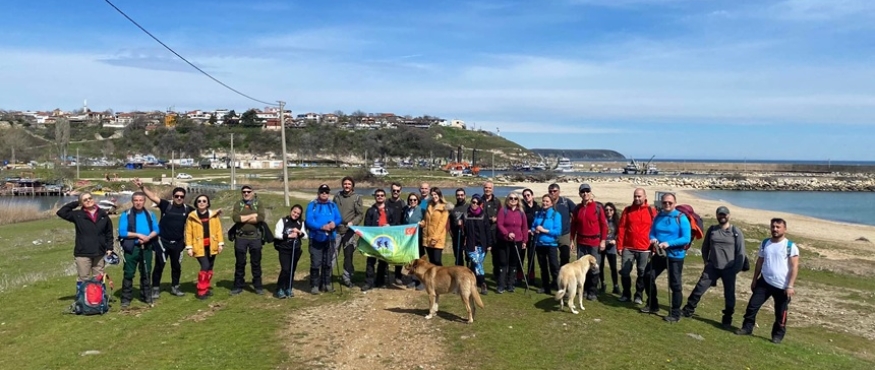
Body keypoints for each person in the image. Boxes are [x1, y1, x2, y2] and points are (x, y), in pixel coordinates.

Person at [736, 218, 799, 344]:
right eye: (773, 227)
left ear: (784, 229)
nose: (775, 229)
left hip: (783, 286)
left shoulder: (790, 246)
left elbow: (794, 267)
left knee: (781, 314)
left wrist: (790, 286)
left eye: (778, 227)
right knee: (752, 307)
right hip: (764, 282)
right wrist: (754, 279)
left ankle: (777, 336)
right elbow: (760, 261)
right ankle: (747, 328)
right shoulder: (765, 243)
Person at [681, 206, 745, 328]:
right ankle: (688, 310)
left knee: (729, 295)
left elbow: (741, 253)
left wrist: (735, 269)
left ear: (729, 215)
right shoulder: (712, 230)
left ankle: (727, 319)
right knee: (699, 288)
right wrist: (706, 261)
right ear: (717, 216)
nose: (722, 216)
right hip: (712, 267)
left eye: (724, 214)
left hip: (729, 269)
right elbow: (705, 247)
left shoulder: (736, 232)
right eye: (720, 214)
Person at [134, 178, 193, 299]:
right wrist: (142, 187)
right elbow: (153, 197)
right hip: (162, 242)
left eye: (181, 196)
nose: (179, 198)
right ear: (173, 196)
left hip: (178, 243)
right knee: (159, 265)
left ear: (184, 197)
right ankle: (155, 288)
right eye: (177, 196)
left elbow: (201, 214)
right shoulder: (166, 205)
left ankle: (175, 287)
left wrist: (213, 213)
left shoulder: (187, 209)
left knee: (176, 266)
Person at [640, 193, 691, 323]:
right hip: (660, 253)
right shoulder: (659, 216)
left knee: (675, 284)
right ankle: (653, 305)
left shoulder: (681, 217)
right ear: (661, 203)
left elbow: (686, 238)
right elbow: (652, 232)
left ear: (675, 203)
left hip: (675, 255)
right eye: (664, 203)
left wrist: (669, 243)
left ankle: (675, 313)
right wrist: (653, 239)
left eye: (670, 202)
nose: (667, 205)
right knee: (647, 275)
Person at [56, 192, 114, 295]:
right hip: (83, 253)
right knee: (83, 278)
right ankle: (83, 302)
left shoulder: (103, 215)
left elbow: (109, 233)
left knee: (99, 278)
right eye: (85, 200)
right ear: (81, 203)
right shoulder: (77, 215)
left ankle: (99, 301)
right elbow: (61, 212)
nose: (88, 201)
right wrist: (77, 203)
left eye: (89, 198)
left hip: (99, 252)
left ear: (93, 199)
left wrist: (110, 248)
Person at [117, 192, 161, 308]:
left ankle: (146, 295)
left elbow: (156, 229)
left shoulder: (150, 214)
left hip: (147, 247)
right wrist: (139, 235)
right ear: (132, 201)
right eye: (136, 200)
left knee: (146, 271)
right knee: (129, 273)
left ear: (144, 201)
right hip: (132, 248)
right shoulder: (126, 214)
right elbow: (122, 232)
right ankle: (126, 298)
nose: (138, 202)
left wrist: (148, 238)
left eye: (140, 200)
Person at [617, 188, 657, 304]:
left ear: (645, 196)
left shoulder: (651, 211)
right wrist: (619, 246)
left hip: (645, 248)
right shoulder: (628, 210)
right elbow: (621, 228)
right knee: (625, 271)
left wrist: (654, 248)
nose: (637, 198)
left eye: (639, 196)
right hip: (628, 247)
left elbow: (655, 230)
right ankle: (626, 294)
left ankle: (638, 295)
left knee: (642, 272)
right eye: (635, 196)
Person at [569, 183, 608, 301]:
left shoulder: (598, 208)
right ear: (580, 194)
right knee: (581, 268)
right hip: (581, 242)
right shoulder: (577, 209)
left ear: (590, 193)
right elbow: (574, 226)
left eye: (587, 191)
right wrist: (571, 240)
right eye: (583, 192)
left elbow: (604, 226)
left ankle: (592, 291)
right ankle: (584, 290)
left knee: (594, 267)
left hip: (594, 242)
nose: (585, 194)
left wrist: (603, 241)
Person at [184, 194, 224, 300]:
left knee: (210, 267)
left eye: (204, 201)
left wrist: (220, 244)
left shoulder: (213, 215)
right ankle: (201, 291)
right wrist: (189, 247)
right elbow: (188, 233)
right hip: (198, 246)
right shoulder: (192, 216)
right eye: (199, 201)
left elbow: (218, 230)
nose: (201, 203)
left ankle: (206, 288)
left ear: (208, 203)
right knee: (205, 266)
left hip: (212, 245)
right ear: (196, 203)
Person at [305, 184, 342, 295]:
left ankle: (326, 283)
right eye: (322, 192)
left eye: (326, 192)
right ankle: (315, 285)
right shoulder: (312, 205)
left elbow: (339, 218)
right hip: (316, 238)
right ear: (318, 193)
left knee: (327, 262)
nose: (324, 194)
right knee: (316, 263)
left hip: (330, 237)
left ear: (329, 193)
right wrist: (321, 227)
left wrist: (334, 223)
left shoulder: (332, 205)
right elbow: (309, 221)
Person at [230, 185, 266, 295]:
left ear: (252, 192)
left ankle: (258, 286)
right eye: (244, 192)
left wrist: (243, 218)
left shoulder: (258, 203)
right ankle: (238, 285)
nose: (246, 193)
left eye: (248, 191)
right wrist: (252, 216)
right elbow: (236, 218)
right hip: (241, 237)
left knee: (256, 262)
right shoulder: (238, 204)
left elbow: (260, 217)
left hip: (255, 237)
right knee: (240, 263)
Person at [361, 189, 400, 291]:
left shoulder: (390, 210)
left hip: (386, 240)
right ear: (375, 197)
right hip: (373, 240)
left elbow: (396, 224)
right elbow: (366, 226)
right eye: (377, 195)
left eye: (382, 195)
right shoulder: (370, 211)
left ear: (385, 197)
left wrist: (389, 225)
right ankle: (368, 282)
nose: (380, 197)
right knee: (370, 262)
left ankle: (380, 281)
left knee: (383, 262)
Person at [333, 176, 364, 288]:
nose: (347, 186)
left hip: (349, 231)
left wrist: (353, 223)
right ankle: (327, 278)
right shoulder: (337, 196)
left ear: (352, 186)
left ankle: (347, 278)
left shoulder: (356, 198)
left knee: (348, 255)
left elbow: (360, 214)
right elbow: (333, 211)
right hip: (337, 230)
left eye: (349, 184)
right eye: (345, 184)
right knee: (333, 254)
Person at [495, 191, 528, 293]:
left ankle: (510, 285)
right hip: (504, 240)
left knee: (513, 263)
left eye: (515, 198)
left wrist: (524, 240)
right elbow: (499, 224)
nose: (513, 200)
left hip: (517, 241)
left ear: (518, 200)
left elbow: (524, 227)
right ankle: (501, 285)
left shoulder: (521, 212)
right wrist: (507, 233)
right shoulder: (503, 211)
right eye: (511, 198)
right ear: (507, 200)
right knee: (503, 262)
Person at [273, 204, 306, 299]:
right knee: (285, 269)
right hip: (284, 249)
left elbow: (305, 236)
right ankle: (280, 288)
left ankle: (288, 288)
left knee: (292, 270)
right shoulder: (283, 221)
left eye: (298, 214)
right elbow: (277, 234)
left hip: (295, 249)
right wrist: (289, 236)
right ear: (291, 211)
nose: (295, 215)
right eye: (294, 212)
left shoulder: (301, 223)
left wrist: (299, 233)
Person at [532, 194, 562, 295]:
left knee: (554, 266)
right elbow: (533, 226)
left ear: (552, 203)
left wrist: (544, 230)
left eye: (547, 201)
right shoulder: (538, 214)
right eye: (543, 201)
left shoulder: (556, 215)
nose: (544, 203)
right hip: (539, 244)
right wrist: (534, 230)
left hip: (551, 244)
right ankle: (545, 287)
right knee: (543, 266)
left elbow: (557, 231)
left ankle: (560, 287)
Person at [463, 194, 492, 295]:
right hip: (471, 244)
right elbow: (464, 231)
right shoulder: (466, 214)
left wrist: (489, 243)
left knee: (477, 264)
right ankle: (483, 284)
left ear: (480, 204)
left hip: (481, 244)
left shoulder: (483, 215)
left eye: (477, 203)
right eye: (473, 202)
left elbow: (487, 230)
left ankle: (474, 283)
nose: (474, 204)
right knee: (477, 264)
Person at [547, 183, 576, 266]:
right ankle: (556, 277)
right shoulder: (547, 203)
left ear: (559, 191)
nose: (552, 193)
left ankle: (564, 277)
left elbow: (577, 212)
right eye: (550, 191)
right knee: (552, 258)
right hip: (551, 234)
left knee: (565, 256)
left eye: (555, 191)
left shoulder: (566, 202)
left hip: (564, 234)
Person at [402, 192, 426, 290]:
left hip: (418, 238)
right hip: (409, 240)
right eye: (411, 200)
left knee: (419, 261)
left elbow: (426, 221)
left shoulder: (422, 210)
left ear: (418, 201)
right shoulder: (406, 210)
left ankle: (421, 281)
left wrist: (422, 224)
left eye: (414, 200)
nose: (412, 201)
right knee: (412, 260)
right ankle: (413, 279)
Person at [421, 187, 449, 266]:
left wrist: (435, 238)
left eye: (435, 194)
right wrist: (422, 224)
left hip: (437, 239)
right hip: (427, 238)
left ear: (439, 195)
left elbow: (442, 224)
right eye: (432, 195)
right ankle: (433, 278)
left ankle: (442, 277)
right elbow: (426, 220)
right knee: (431, 261)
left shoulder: (444, 207)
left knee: (437, 261)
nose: (434, 196)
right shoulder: (429, 205)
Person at [517, 188, 538, 284]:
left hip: (534, 235)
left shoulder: (537, 207)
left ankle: (531, 277)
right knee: (521, 256)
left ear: (532, 195)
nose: (526, 197)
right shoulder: (522, 208)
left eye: (528, 195)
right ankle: (519, 276)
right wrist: (527, 230)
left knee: (531, 257)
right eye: (524, 196)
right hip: (523, 235)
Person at [386, 182, 406, 284]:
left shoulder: (403, 204)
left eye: (398, 191)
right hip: (387, 232)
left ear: (400, 192)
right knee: (385, 254)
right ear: (391, 191)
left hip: (400, 233)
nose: (395, 192)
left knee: (399, 255)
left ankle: (398, 275)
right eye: (394, 190)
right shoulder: (386, 203)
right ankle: (384, 274)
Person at [601, 202, 621, 295]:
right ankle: (602, 284)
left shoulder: (616, 221)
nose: (608, 212)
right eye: (606, 210)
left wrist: (615, 241)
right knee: (600, 266)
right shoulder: (602, 220)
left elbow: (619, 233)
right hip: (602, 245)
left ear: (614, 211)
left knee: (613, 267)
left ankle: (616, 286)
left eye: (610, 210)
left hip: (611, 246)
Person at [449, 188, 468, 266]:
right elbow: (448, 221)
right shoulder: (453, 208)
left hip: (467, 237)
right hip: (456, 236)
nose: (460, 197)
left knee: (469, 257)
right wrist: (450, 231)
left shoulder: (469, 207)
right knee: (458, 257)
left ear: (465, 196)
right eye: (458, 195)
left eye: (461, 195)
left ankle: (470, 273)